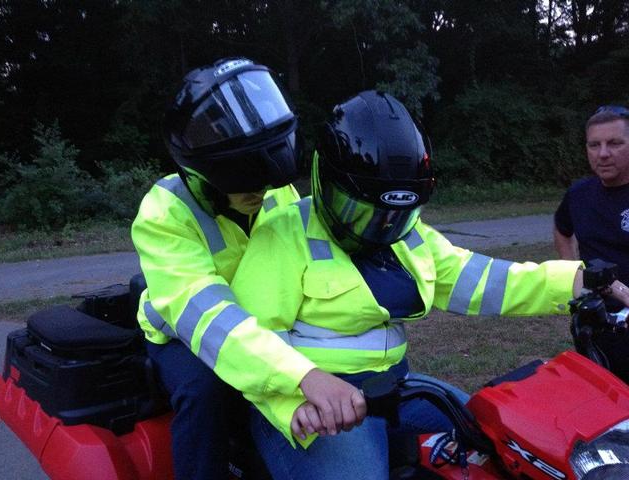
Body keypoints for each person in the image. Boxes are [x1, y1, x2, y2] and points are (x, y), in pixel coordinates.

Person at [230, 91, 629, 480]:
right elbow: (248, 338)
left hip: (393, 387)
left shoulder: (408, 235)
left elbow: (484, 280)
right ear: (327, 183)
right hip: (314, 403)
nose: (382, 226)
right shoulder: (282, 235)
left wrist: (576, 280)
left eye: (397, 214)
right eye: (364, 211)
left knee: (487, 432)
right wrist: (292, 400)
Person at [131, 58, 365, 480]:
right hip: (183, 332)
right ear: (204, 169)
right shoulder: (164, 212)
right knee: (204, 391)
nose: (259, 192)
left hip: (262, 322)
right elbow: (208, 318)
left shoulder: (275, 192)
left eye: (264, 180)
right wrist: (304, 375)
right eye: (244, 183)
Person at [554, 105, 629, 304]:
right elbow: (562, 229)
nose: (603, 154)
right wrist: (572, 272)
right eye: (594, 145)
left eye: (614, 143)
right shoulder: (578, 194)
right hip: (596, 317)